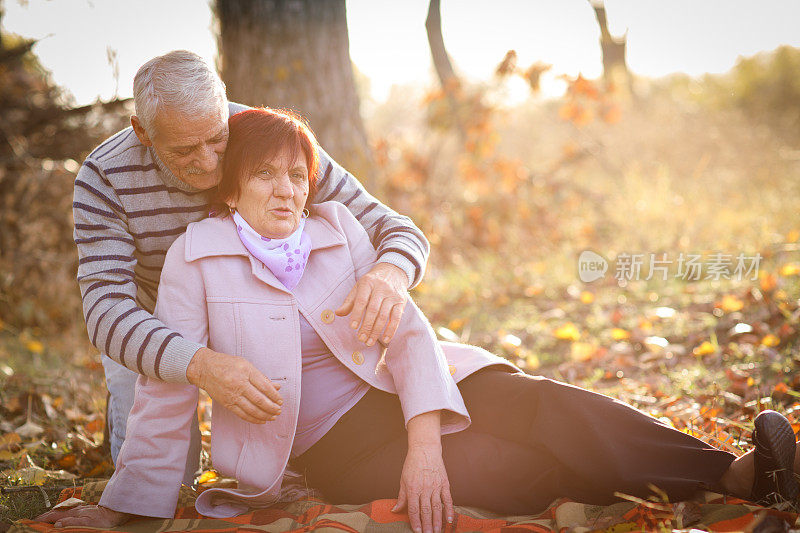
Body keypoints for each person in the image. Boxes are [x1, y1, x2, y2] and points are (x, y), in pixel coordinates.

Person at [43, 108, 800, 533]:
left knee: (543, 402)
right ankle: (658, 489)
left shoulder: (339, 227)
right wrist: (123, 510)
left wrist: (424, 439)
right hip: (329, 438)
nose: (285, 190)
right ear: (231, 188)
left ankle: (731, 472)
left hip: (417, 379)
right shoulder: (193, 258)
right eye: (264, 174)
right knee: (506, 468)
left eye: (297, 175)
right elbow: (168, 386)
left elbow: (406, 329)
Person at [73, 50, 429, 484]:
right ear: (143, 133)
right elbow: (105, 312)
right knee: (158, 478)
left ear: (225, 111)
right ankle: (123, 428)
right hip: (154, 323)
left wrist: (390, 273)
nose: (208, 162)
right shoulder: (104, 178)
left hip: (254, 314)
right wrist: (201, 365)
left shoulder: (270, 141)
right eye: (184, 149)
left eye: (216, 139)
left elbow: (393, 227)